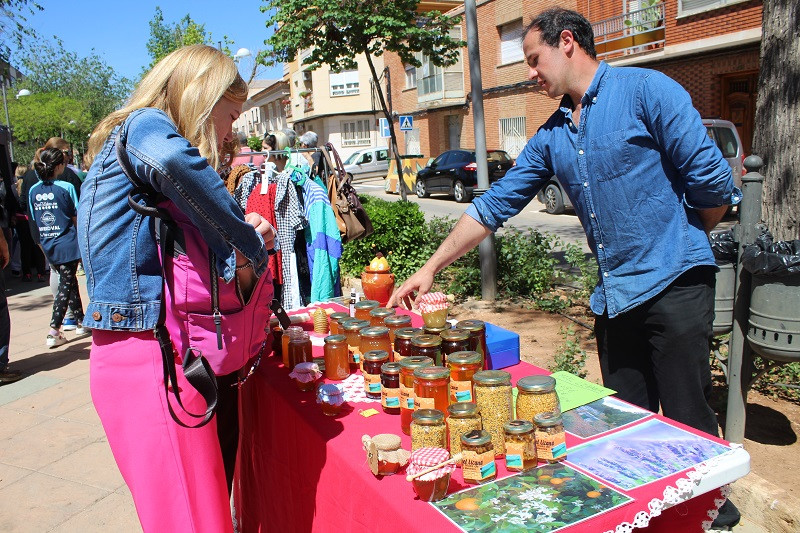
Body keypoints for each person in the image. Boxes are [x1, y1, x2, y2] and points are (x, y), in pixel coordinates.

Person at [388, 8, 740, 527]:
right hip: (616, 296)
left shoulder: (648, 91)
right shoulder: (553, 134)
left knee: (687, 419)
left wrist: (683, 238)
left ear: (567, 42)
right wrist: (431, 266)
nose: (530, 72)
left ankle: (714, 515)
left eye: (534, 59)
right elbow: (494, 204)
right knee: (624, 424)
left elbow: (712, 182)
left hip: (675, 284)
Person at [78, 44, 275, 533]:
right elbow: (174, 160)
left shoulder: (122, 144)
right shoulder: (146, 126)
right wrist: (246, 245)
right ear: (202, 99)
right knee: (193, 518)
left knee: (192, 513)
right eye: (228, 115)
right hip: (148, 354)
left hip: (146, 350)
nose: (230, 132)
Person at [27, 148, 89, 347]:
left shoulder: (33, 190)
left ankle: (80, 321)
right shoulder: (66, 187)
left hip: (49, 243)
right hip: (68, 243)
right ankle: (54, 330)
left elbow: (34, 219)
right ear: (60, 166)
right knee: (65, 286)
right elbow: (77, 217)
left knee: (69, 282)